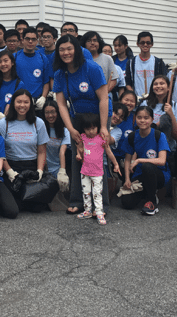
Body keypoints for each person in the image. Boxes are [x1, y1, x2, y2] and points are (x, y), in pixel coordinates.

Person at [52, 35, 110, 215]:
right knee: (77, 158)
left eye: (69, 49)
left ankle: (101, 204)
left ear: (77, 49)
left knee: (96, 160)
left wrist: (103, 127)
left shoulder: (91, 68)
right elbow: (61, 103)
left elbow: (103, 98)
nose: (66, 53)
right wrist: (70, 128)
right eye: (61, 50)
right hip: (76, 118)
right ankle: (78, 200)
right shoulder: (60, 73)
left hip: (97, 117)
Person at [0, 89, 50, 208]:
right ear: (13, 103)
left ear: (30, 104)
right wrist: (10, 172)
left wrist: (39, 171)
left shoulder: (39, 123)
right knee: (14, 205)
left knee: (36, 207)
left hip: (31, 166)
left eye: (26, 102)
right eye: (19, 102)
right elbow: (0, 152)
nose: (22, 105)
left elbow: (42, 151)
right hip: (11, 167)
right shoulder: (3, 123)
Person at [121, 106, 170, 215]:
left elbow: (162, 161)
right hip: (140, 174)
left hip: (159, 174)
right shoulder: (132, 137)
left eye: (146, 118)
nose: (142, 120)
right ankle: (149, 193)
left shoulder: (159, 135)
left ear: (152, 119)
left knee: (147, 166)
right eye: (139, 117)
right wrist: (127, 179)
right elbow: (127, 160)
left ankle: (152, 202)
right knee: (127, 203)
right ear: (135, 119)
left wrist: (139, 160)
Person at [76, 113, 120, 225]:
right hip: (85, 171)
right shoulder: (83, 137)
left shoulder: (101, 139)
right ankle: (87, 211)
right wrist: (79, 155)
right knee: (86, 192)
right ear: (84, 129)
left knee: (97, 193)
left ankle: (99, 212)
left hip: (97, 172)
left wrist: (115, 164)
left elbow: (109, 152)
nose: (91, 131)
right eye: (88, 129)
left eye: (93, 128)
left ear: (98, 127)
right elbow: (79, 148)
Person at [14, 27, 53, 107]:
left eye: (33, 39)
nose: (30, 41)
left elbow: (46, 81)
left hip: (37, 101)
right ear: (23, 40)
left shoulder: (43, 58)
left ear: (37, 40)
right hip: (19, 101)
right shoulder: (14, 57)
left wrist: (43, 97)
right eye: (27, 39)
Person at [0, 49, 26, 119]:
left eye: (5, 61)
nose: (3, 64)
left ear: (12, 62)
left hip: (10, 119)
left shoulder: (19, 84)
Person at [125, 31, 166, 99]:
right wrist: (134, 97)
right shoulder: (131, 62)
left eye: (148, 43)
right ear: (137, 44)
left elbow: (163, 82)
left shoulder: (158, 63)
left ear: (152, 44)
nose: (145, 45)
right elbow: (128, 83)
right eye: (142, 42)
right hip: (138, 100)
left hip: (154, 100)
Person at [42, 99, 70, 189]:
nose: (50, 115)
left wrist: (62, 171)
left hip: (57, 169)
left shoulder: (65, 131)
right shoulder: (41, 129)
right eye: (47, 112)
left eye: (53, 112)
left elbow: (62, 152)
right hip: (43, 169)